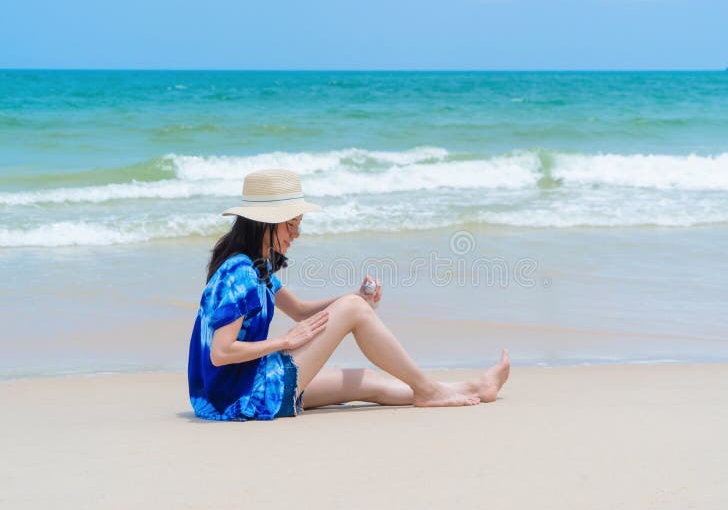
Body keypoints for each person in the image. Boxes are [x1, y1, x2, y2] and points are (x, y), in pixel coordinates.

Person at [188, 169, 510, 420]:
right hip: (243, 398)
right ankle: (428, 391)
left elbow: (300, 311)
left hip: (245, 388)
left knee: (367, 382)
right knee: (354, 312)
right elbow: (221, 352)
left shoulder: (257, 268)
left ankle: (473, 388)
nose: (296, 234)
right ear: (265, 223)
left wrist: (353, 297)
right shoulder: (240, 273)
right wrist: (286, 342)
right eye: (290, 225)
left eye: (298, 224)